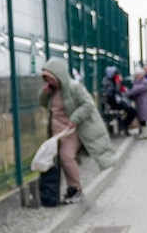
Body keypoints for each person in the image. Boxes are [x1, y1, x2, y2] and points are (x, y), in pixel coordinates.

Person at [39, 57, 115, 204]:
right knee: (59, 160)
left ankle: (75, 189)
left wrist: (74, 119)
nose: (49, 81)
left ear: (58, 75)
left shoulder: (74, 87)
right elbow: (44, 105)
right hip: (56, 133)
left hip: (71, 131)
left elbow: (88, 104)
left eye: (51, 78)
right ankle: (61, 191)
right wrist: (44, 93)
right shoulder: (52, 91)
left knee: (65, 156)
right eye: (46, 78)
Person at [101, 65, 136, 135]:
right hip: (113, 104)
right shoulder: (108, 81)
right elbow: (115, 91)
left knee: (132, 111)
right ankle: (123, 125)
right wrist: (118, 82)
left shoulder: (111, 80)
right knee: (132, 111)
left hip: (117, 102)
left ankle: (123, 125)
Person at [127, 67, 147, 140]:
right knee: (142, 117)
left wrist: (128, 93)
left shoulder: (144, 82)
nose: (136, 76)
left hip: (143, 103)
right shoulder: (140, 81)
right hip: (140, 102)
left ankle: (144, 133)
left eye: (137, 75)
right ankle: (143, 132)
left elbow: (136, 90)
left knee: (143, 118)